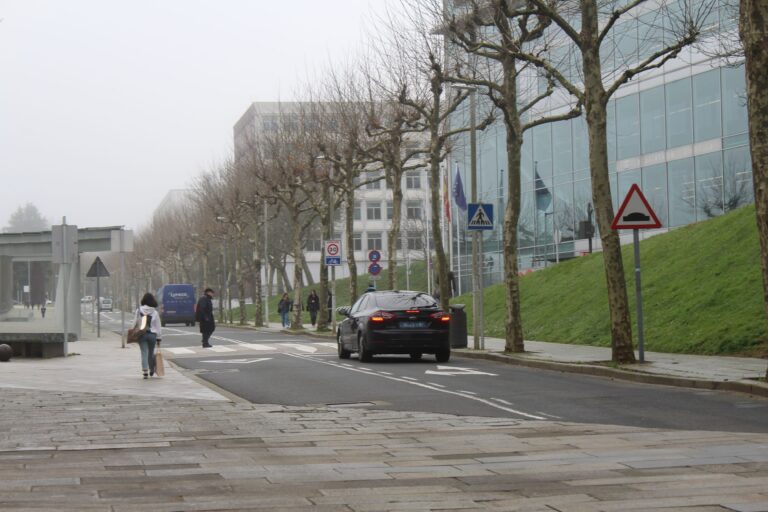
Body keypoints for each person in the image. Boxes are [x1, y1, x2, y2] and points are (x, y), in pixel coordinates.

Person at [133, 292, 162, 379]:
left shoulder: (139, 310)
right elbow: (158, 326)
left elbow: (135, 322)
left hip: (142, 334)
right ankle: (151, 369)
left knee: (144, 353)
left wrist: (133, 331)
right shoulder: (155, 312)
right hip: (152, 335)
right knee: (150, 353)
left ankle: (145, 371)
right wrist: (159, 338)